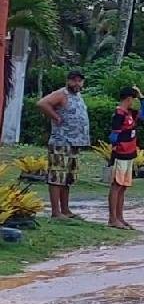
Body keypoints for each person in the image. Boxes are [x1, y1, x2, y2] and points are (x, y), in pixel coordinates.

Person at [36, 70, 90, 220]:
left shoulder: (78, 96)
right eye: (74, 80)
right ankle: (56, 211)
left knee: (68, 177)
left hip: (75, 143)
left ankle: (65, 210)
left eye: (80, 80)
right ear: (68, 81)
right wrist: (56, 117)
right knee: (57, 176)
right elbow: (42, 103)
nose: (77, 83)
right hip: (61, 142)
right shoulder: (62, 94)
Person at [107, 86, 144, 230]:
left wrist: (142, 97)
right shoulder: (119, 114)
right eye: (133, 99)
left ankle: (120, 217)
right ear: (129, 99)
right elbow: (113, 136)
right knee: (116, 185)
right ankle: (112, 218)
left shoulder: (130, 113)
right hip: (121, 154)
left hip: (130, 153)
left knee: (123, 186)